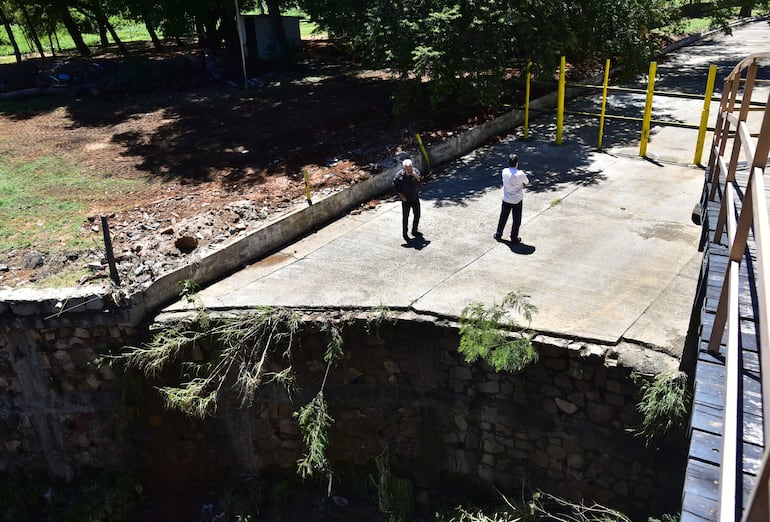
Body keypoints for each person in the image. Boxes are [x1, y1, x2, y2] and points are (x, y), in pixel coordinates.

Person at [494, 153, 529, 244]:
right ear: (517, 163)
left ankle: (498, 233)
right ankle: (514, 237)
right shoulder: (520, 174)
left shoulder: (504, 171)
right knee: (516, 219)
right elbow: (526, 182)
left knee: (503, 217)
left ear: (508, 162)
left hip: (506, 198)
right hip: (516, 200)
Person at [393, 158, 422, 241]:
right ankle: (405, 234)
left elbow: (420, 180)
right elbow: (395, 187)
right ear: (403, 168)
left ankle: (414, 231)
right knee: (405, 217)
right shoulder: (399, 176)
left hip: (415, 198)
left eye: (410, 168)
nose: (409, 170)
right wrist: (401, 195)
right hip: (406, 200)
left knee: (417, 215)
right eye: (407, 169)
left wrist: (414, 175)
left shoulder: (415, 171)